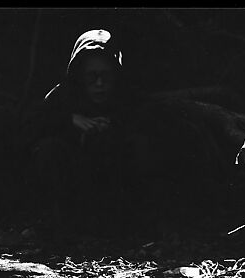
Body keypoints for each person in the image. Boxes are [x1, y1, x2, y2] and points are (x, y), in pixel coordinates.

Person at [21, 29, 153, 237]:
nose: (99, 84)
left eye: (105, 76)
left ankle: (130, 223)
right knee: (49, 149)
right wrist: (70, 121)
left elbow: (147, 122)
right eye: (92, 77)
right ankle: (61, 223)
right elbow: (30, 128)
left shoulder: (129, 95)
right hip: (75, 180)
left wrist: (113, 127)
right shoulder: (62, 96)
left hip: (115, 179)